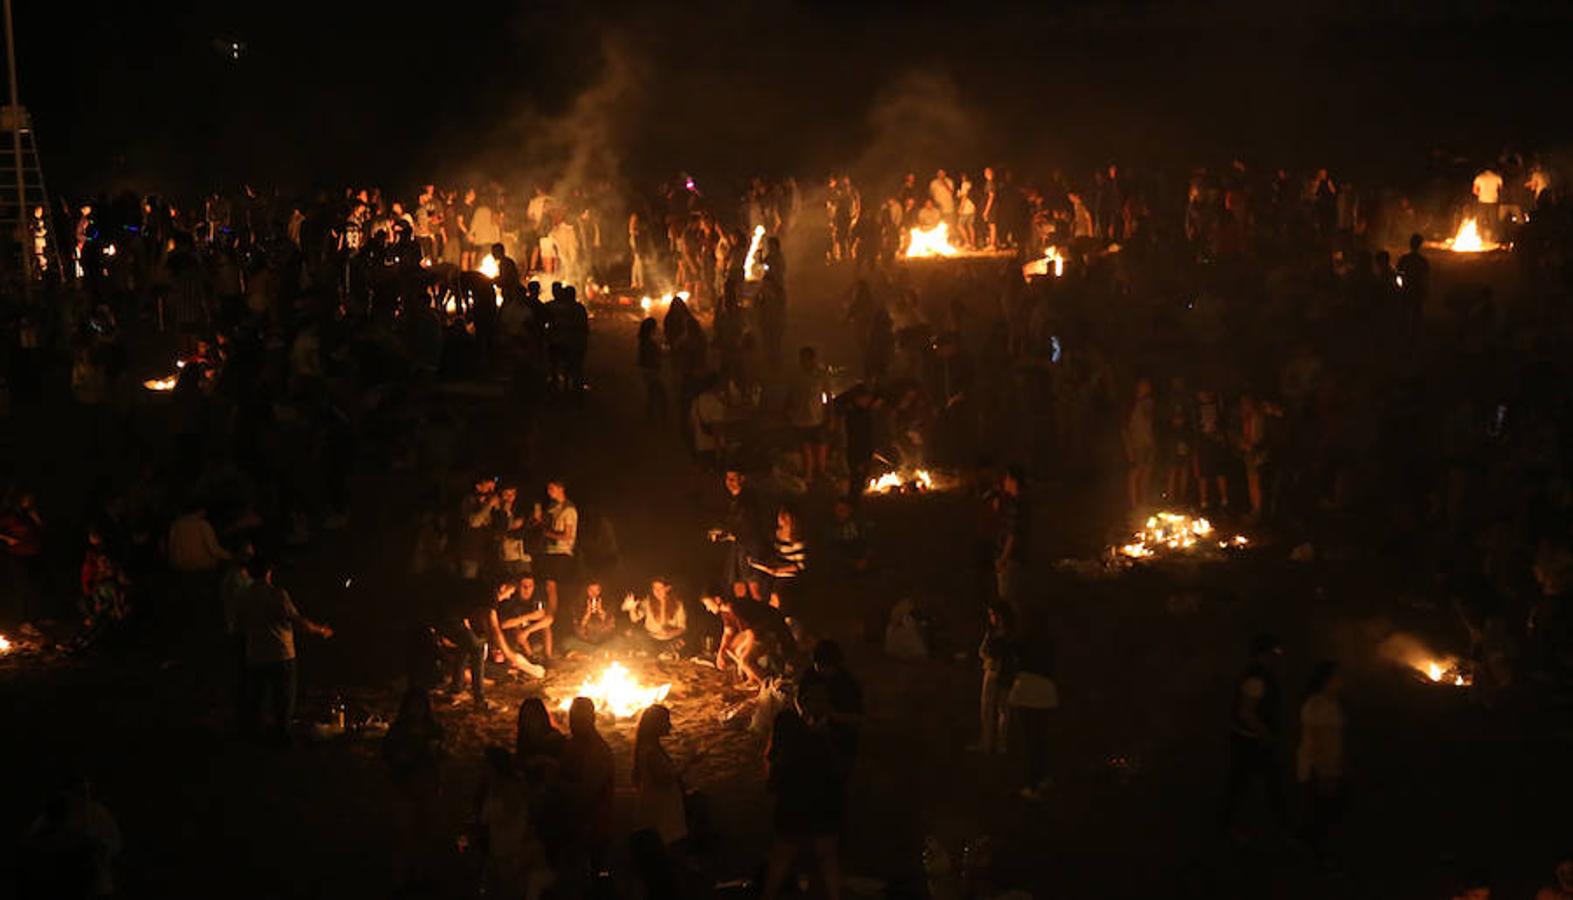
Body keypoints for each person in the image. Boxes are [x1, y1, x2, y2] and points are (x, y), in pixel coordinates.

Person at [760, 681, 847, 900]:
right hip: (812, 798)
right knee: (819, 856)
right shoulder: (794, 724)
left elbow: (771, 757)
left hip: (801, 799)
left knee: (787, 854)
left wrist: (772, 786)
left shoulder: (794, 723)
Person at [237, 557, 332, 745]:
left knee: (257, 700)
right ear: (269, 573)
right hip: (281, 655)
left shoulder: (244, 596)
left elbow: (239, 624)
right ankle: (281, 739)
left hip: (256, 655)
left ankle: (255, 739)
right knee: (283, 701)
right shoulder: (278, 595)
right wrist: (321, 630)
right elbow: (297, 621)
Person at [1219, 633, 1288, 838]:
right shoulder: (1256, 679)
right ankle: (1281, 824)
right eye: (1273, 653)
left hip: (1251, 740)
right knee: (1244, 783)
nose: (1276, 658)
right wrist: (1265, 733)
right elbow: (1246, 712)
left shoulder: (1260, 676)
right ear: (1262, 654)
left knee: (1248, 783)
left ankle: (1279, 822)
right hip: (1250, 742)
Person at [20, 773, 122, 899]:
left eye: (86, 791)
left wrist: (100, 847)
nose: (84, 796)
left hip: (94, 881)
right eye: (79, 792)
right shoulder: (57, 812)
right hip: (66, 879)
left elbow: (115, 842)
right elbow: (34, 839)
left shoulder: (99, 814)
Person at [384, 687, 446, 893]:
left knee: (424, 834)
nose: (417, 710)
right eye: (414, 705)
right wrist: (407, 756)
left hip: (427, 786)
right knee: (404, 836)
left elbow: (442, 757)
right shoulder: (399, 731)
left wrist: (437, 753)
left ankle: (420, 878)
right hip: (405, 787)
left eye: (421, 705)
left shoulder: (434, 729)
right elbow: (390, 756)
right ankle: (400, 881)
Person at [562, 696, 615, 882]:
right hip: (579, 823)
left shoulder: (597, 751)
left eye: (578, 718)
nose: (573, 722)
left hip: (593, 825)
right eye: (572, 717)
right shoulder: (574, 745)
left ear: (591, 719)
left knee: (594, 875)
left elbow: (587, 791)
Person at [1296, 660, 1344, 866]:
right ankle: (1320, 860)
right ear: (1327, 681)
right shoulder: (1319, 706)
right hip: (1318, 769)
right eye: (1338, 678)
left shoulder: (1328, 704)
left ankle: (1314, 854)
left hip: (1324, 768)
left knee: (1321, 813)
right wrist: (1325, 772)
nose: (1342, 683)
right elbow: (1319, 742)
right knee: (1321, 815)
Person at [1007, 618, 1057, 800]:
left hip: (1027, 689)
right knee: (1040, 738)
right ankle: (1042, 778)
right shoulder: (1049, 641)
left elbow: (1010, 657)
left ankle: (1032, 784)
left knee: (1029, 741)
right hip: (1045, 691)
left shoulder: (1020, 642)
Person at [530, 479, 578, 659]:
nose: (549, 491)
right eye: (547, 488)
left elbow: (568, 536)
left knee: (553, 588)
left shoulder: (568, 509)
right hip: (549, 552)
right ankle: (548, 622)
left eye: (552, 488)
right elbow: (544, 525)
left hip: (561, 554)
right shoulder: (552, 507)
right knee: (548, 587)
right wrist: (538, 522)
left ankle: (551, 619)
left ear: (561, 488)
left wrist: (546, 533)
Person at [633, 704, 689, 848]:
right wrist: (689, 764)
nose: (670, 725)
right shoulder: (651, 752)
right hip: (662, 814)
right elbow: (664, 780)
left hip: (660, 812)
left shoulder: (648, 748)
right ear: (655, 724)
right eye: (666, 721)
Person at [971, 604, 1015, 754]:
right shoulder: (991, 633)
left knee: (1004, 709)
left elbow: (1010, 655)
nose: (992, 618)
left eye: (994, 614)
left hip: (1005, 673)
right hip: (991, 671)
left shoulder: (1009, 635)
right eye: (990, 615)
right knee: (987, 707)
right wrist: (989, 658)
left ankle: (1001, 743)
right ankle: (986, 742)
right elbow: (982, 651)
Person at [786, 347, 832, 485]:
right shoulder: (795, 376)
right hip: (801, 419)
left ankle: (821, 472)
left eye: (807, 359)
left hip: (818, 417)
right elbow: (790, 395)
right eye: (802, 359)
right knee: (806, 449)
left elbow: (828, 397)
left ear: (812, 359)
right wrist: (787, 410)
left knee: (821, 447)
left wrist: (830, 416)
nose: (805, 362)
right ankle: (809, 474)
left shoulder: (821, 376)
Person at [701, 592, 764, 685]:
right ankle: (752, 677)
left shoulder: (734, 608)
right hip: (752, 633)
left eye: (708, 604)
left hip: (766, 632)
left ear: (717, 599)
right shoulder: (725, 611)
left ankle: (766, 683)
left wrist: (745, 654)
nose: (708, 608)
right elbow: (728, 633)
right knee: (730, 648)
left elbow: (752, 634)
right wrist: (720, 652)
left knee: (745, 658)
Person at [751, 507, 807, 610]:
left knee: (776, 598)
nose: (780, 519)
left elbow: (801, 565)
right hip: (775, 573)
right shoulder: (778, 533)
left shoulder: (797, 539)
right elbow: (776, 554)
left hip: (789, 576)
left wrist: (779, 570)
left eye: (784, 517)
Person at [624, 577, 688, 654]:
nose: (657, 591)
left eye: (660, 588)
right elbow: (634, 619)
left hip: (671, 640)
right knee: (638, 637)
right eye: (654, 588)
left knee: (681, 645)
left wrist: (670, 633)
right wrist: (632, 609)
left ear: (667, 588)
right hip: (651, 640)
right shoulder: (648, 602)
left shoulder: (678, 604)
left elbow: (682, 628)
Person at [995, 466, 1028, 607]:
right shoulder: (1015, 502)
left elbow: (1012, 535)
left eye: (1007, 478)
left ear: (1013, 481)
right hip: (1013, 559)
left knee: (1009, 600)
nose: (1004, 481)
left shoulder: (1017, 505)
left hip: (1011, 560)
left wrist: (1003, 559)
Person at [1124, 378, 1157, 509]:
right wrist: (1129, 449)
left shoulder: (1149, 403)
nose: (1147, 388)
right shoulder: (1131, 405)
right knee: (1135, 473)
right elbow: (1125, 429)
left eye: (1148, 386)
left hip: (1149, 443)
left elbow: (1151, 424)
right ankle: (1134, 503)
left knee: (1147, 473)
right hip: (1137, 444)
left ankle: (1144, 502)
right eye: (1144, 385)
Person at [516, 697, 568, 771]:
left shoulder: (554, 739)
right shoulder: (524, 740)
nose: (530, 721)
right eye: (527, 717)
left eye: (533, 716)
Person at [566, 582, 617, 654]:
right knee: (568, 642)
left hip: (604, 642)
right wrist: (587, 613)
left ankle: (595, 652)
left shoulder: (609, 604)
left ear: (601, 591)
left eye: (597, 590)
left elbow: (609, 628)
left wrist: (600, 610)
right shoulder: (577, 606)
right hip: (584, 643)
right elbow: (578, 629)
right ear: (585, 590)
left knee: (618, 641)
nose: (594, 593)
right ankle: (597, 652)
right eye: (591, 590)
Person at [637, 317, 667, 423]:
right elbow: (658, 354)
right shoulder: (649, 343)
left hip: (647, 371)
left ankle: (650, 418)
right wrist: (664, 349)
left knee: (652, 395)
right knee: (661, 396)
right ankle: (660, 419)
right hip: (651, 372)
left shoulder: (644, 341)